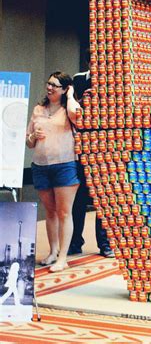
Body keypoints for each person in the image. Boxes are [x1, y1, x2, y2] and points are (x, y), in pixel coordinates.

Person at [26, 72, 81, 272]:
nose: (49, 88)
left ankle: (63, 258)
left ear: (64, 89)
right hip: (40, 165)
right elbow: (29, 142)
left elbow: (78, 114)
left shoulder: (69, 110)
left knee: (64, 212)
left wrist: (71, 94)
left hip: (65, 164)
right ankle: (53, 251)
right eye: (49, 83)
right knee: (50, 211)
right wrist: (33, 135)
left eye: (55, 86)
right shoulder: (38, 109)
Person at [68, 65, 114, 258]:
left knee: (103, 199)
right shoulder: (78, 79)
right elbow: (68, 108)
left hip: (103, 148)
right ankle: (75, 241)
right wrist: (80, 100)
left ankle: (105, 244)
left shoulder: (113, 82)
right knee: (77, 199)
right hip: (81, 146)